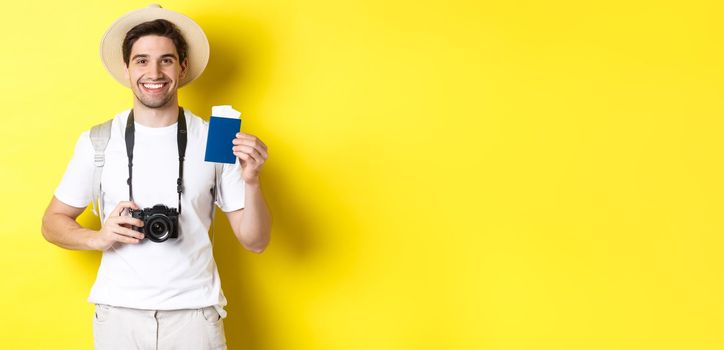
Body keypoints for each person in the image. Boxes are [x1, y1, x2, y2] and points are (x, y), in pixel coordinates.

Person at [41, 5, 271, 349]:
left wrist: (251, 182)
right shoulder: (98, 141)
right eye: (142, 60)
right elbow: (51, 223)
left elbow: (255, 241)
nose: (154, 71)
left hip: (195, 317)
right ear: (127, 68)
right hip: (118, 317)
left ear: (183, 66)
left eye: (166, 59)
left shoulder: (215, 140)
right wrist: (99, 238)